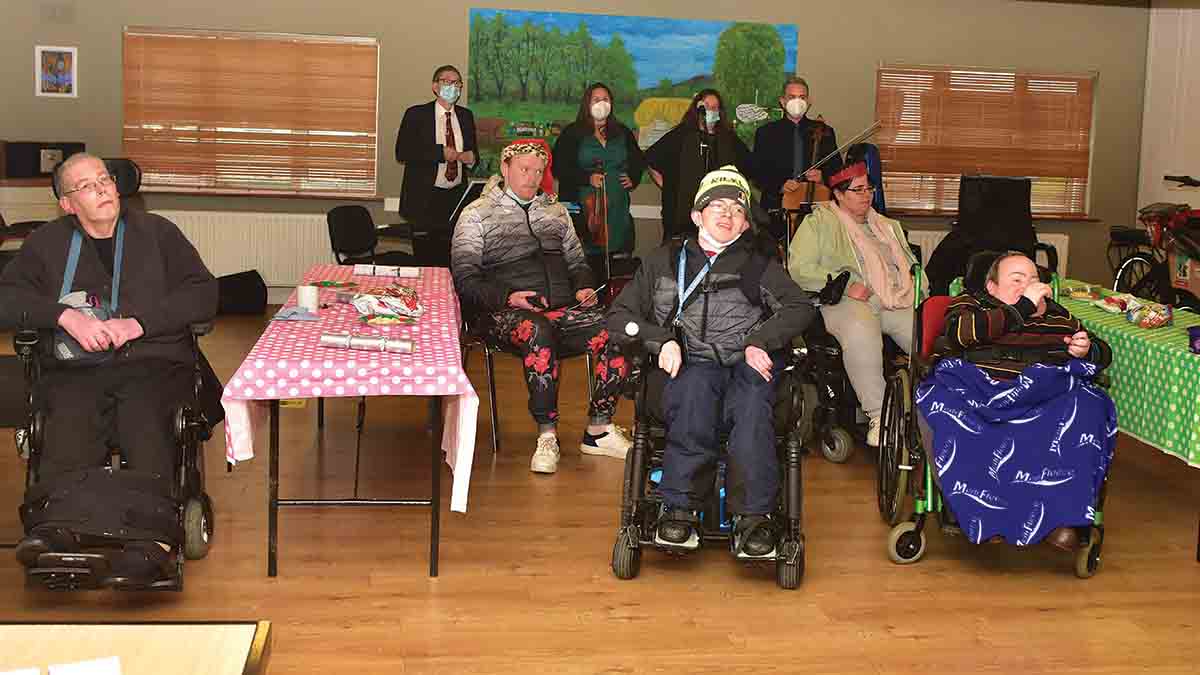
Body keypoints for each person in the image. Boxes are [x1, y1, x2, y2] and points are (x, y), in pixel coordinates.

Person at [0, 153, 217, 579]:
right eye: (86, 185)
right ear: (67, 203)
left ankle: (151, 538)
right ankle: (58, 527)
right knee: (68, 414)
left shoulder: (159, 233)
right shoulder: (46, 243)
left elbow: (203, 293)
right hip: (76, 367)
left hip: (152, 360)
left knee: (144, 413)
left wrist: (139, 323)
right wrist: (65, 317)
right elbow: (7, 298)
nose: (101, 188)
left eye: (105, 179)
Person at [608, 166, 815, 558]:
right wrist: (660, 340)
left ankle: (753, 517)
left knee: (753, 401)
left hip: (743, 368)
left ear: (745, 223)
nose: (727, 214)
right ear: (696, 215)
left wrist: (760, 341)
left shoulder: (758, 265)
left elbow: (800, 307)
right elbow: (619, 317)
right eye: (717, 206)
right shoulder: (664, 260)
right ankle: (680, 508)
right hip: (686, 367)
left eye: (737, 209)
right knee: (695, 388)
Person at [451, 142, 632, 474]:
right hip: (501, 313)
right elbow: (465, 278)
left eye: (538, 171)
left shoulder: (555, 211)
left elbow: (577, 263)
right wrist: (509, 296)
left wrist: (583, 286)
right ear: (505, 168)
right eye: (524, 169)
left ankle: (599, 429)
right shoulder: (476, 214)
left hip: (560, 310)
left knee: (619, 328)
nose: (532, 177)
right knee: (538, 330)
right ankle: (547, 435)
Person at [918, 251, 1116, 551]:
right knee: (956, 415)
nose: (1028, 286)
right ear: (992, 287)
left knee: (1089, 405)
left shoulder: (1057, 315)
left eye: (1033, 279)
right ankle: (983, 517)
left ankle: (1061, 521)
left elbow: (1103, 353)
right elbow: (960, 334)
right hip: (978, 390)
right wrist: (1023, 307)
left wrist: (1087, 350)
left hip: (1042, 393)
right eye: (1017, 280)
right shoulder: (972, 306)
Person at [787, 159, 921, 447]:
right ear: (838, 194)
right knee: (862, 330)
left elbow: (912, 267)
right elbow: (799, 269)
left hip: (892, 298)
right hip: (846, 299)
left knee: (925, 335)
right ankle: (880, 417)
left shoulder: (888, 226)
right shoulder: (820, 222)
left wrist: (917, 288)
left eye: (869, 189)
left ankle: (933, 408)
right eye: (857, 190)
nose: (866, 195)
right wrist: (846, 285)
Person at [552, 82, 646, 290]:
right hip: (584, 209)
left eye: (606, 99)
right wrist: (586, 178)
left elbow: (638, 159)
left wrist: (633, 177)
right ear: (587, 103)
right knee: (586, 264)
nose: (601, 103)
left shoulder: (622, 132)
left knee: (616, 263)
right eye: (596, 99)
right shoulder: (572, 133)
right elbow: (559, 167)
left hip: (617, 209)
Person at [395, 65, 478, 266]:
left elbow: (473, 152)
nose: (453, 86)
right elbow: (402, 152)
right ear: (435, 86)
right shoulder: (416, 114)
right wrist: (439, 153)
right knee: (426, 262)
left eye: (457, 83)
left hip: (455, 199)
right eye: (447, 81)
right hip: (425, 199)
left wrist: (472, 158)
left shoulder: (466, 116)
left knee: (452, 261)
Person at [645, 89, 751, 243]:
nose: (710, 111)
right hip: (681, 218)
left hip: (718, 218)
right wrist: (668, 186)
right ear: (697, 108)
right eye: (706, 106)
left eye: (714, 107)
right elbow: (651, 159)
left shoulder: (728, 139)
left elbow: (747, 166)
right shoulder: (680, 135)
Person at [750, 77, 841, 238]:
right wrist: (780, 185)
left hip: (816, 207)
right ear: (782, 101)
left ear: (809, 102)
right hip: (776, 208)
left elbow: (837, 170)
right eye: (792, 97)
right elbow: (757, 173)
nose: (797, 101)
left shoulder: (825, 132)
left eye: (802, 97)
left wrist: (823, 177)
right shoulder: (766, 133)